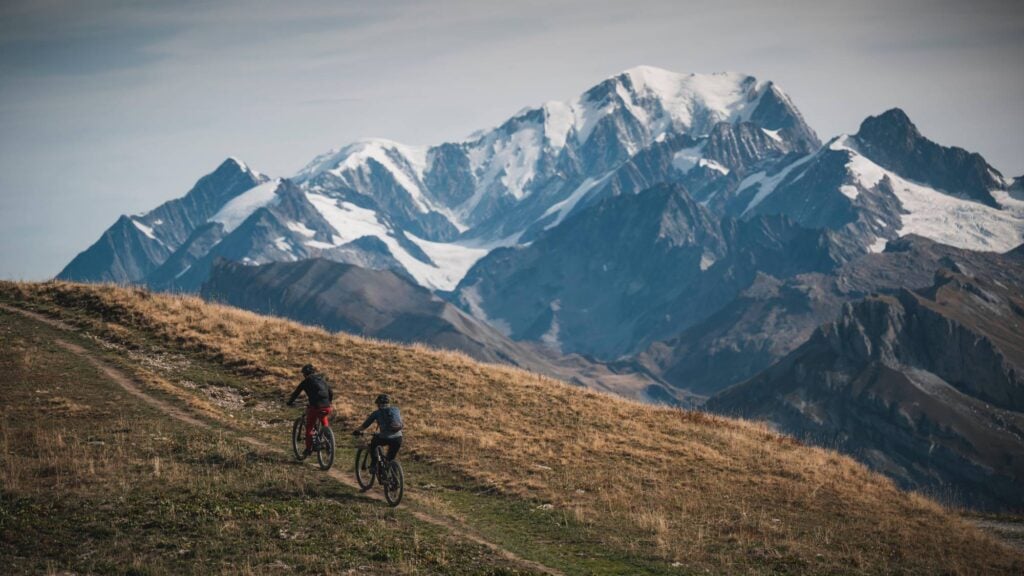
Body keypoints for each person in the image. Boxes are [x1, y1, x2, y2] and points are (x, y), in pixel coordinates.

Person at [286, 363, 334, 458]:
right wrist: (329, 402)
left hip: (316, 406)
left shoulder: (306, 381)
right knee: (323, 417)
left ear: (305, 374)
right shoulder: (322, 379)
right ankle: (328, 438)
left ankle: (308, 449)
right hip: (327, 406)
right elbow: (331, 392)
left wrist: (289, 402)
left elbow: (296, 393)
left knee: (309, 427)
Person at [353, 394, 403, 474]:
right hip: (398, 438)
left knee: (373, 444)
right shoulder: (396, 409)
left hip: (384, 437)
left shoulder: (376, 413)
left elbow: (364, 425)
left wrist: (357, 431)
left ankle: (373, 465)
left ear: (379, 404)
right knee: (390, 458)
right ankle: (395, 479)